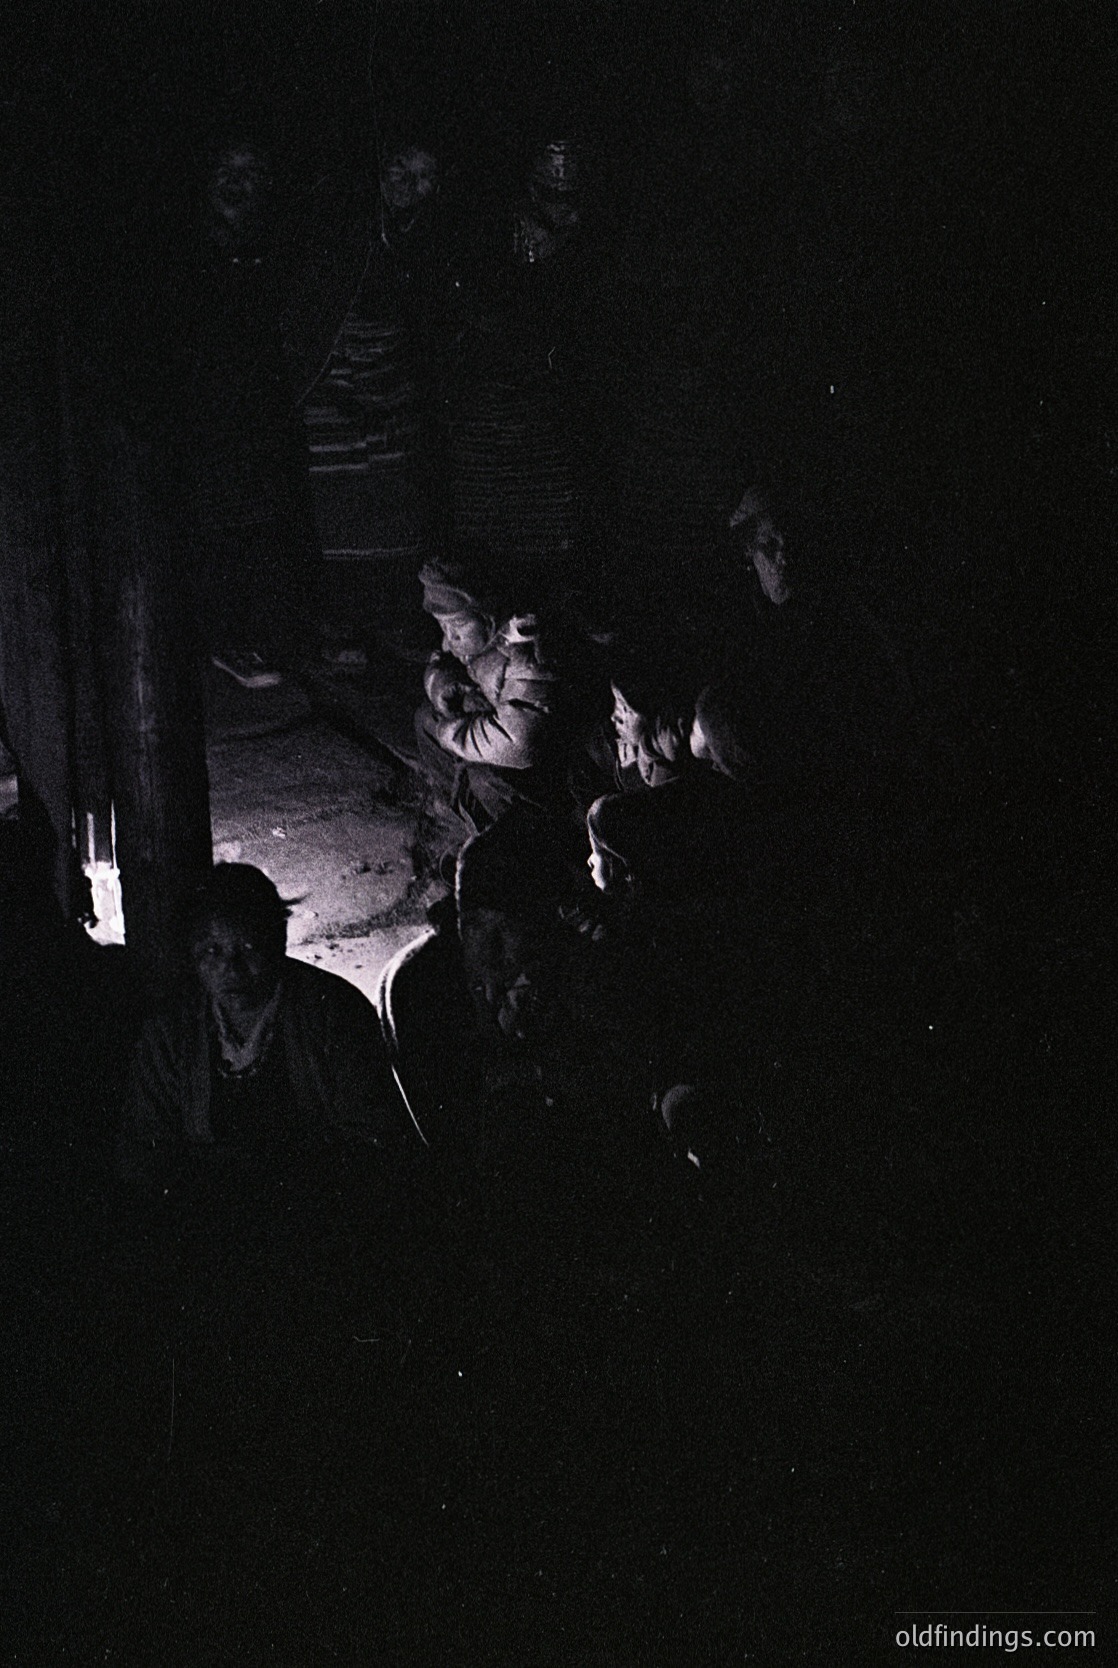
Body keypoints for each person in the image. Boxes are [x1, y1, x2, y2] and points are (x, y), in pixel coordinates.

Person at [119, 864, 410, 1192]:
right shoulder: (172, 1033)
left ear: (279, 939)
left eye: (248, 947)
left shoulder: (333, 1012)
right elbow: (144, 1149)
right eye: (212, 951)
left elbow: (375, 1140)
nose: (232, 970)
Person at [413, 555, 584, 835]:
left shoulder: (528, 653)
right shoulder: (470, 637)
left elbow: (519, 742)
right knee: (425, 719)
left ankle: (507, 845)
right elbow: (442, 659)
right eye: (442, 626)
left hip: (544, 767)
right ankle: (463, 822)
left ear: (487, 615)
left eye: (457, 626)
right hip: (492, 727)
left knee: (485, 777)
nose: (449, 637)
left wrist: (452, 733)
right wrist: (441, 682)